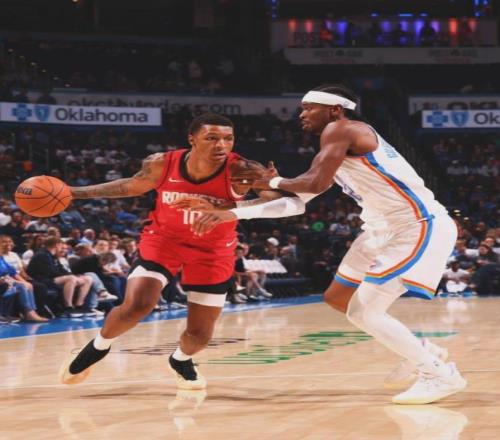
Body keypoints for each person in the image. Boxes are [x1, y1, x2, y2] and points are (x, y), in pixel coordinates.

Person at [189, 85, 466, 404]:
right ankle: (422, 350)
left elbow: (313, 182)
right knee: (339, 298)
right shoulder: (336, 149)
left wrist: (272, 181)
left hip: (415, 225)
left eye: (309, 108)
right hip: (379, 231)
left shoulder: (343, 129)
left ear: (335, 110)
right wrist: (232, 212)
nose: (301, 114)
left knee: (365, 312)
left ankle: (439, 374)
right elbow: (297, 203)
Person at [58, 113, 303, 389]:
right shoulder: (162, 163)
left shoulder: (242, 170)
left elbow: (290, 205)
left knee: (199, 336)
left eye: (228, 139)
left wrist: (231, 209)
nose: (221, 145)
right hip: (164, 241)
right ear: (192, 139)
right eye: (212, 138)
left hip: (213, 251)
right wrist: (74, 193)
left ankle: (181, 359)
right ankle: (99, 346)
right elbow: (130, 185)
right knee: (138, 304)